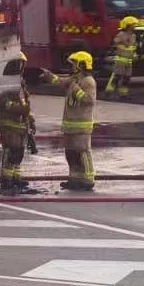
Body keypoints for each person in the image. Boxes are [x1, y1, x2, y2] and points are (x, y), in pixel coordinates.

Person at [0, 53, 57, 193]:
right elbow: (1, 101)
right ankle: (6, 179)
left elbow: (25, 103)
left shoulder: (20, 82)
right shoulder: (4, 82)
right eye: (20, 64)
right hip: (8, 123)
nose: (22, 67)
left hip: (21, 123)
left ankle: (15, 177)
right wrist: (17, 108)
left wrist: (30, 118)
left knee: (19, 152)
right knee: (10, 151)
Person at [61, 51, 98, 192]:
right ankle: (75, 179)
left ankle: (88, 179)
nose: (72, 66)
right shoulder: (75, 79)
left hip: (82, 125)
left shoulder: (88, 81)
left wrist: (75, 89)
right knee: (71, 153)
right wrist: (49, 76)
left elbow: (89, 100)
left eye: (75, 63)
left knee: (82, 152)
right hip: (70, 124)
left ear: (82, 65)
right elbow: (61, 82)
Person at [106, 17, 138, 99]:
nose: (135, 26)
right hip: (121, 60)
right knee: (117, 76)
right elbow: (115, 41)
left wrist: (135, 54)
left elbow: (133, 46)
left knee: (127, 78)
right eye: (133, 25)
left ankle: (123, 94)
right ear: (128, 25)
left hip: (129, 61)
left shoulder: (134, 36)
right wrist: (124, 41)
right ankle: (109, 92)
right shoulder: (121, 34)